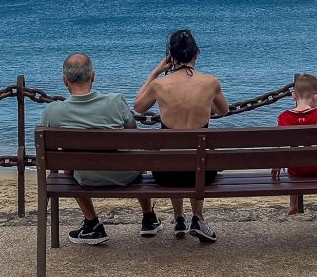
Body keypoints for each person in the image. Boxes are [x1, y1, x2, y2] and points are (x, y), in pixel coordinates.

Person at [39, 52, 161, 245]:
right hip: (126, 175)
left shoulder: (52, 112)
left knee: (69, 162)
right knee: (135, 155)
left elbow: (51, 148)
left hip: (85, 178)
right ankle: (148, 217)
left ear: (65, 81)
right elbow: (134, 136)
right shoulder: (116, 101)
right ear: (93, 76)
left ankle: (92, 223)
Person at [133, 29, 229, 243]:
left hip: (168, 173)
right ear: (197, 54)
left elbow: (138, 106)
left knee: (173, 156)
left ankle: (179, 218)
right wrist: (204, 107)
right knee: (198, 158)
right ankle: (198, 217)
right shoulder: (210, 82)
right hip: (204, 173)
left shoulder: (159, 85)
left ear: (171, 57)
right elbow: (224, 110)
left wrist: (155, 72)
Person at [272, 72, 317, 214]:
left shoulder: (284, 117)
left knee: (293, 165)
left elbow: (276, 142)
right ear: (316, 96)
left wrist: (276, 165)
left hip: (297, 170)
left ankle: (293, 206)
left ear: (294, 96)